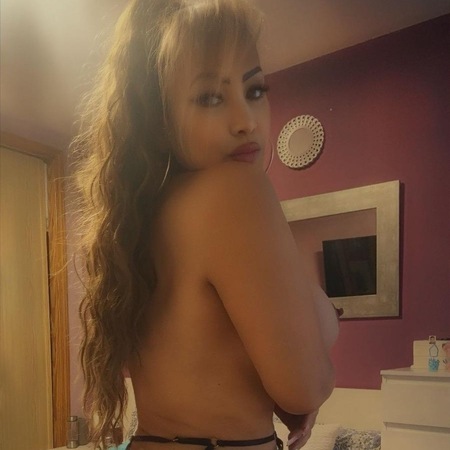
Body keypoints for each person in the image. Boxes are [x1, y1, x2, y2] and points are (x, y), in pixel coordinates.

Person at [72, 1, 339, 450]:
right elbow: (305, 388)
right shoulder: (235, 191)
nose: (246, 121)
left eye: (255, 89)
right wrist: (318, 354)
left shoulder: (139, 222)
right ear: (159, 117)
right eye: (210, 97)